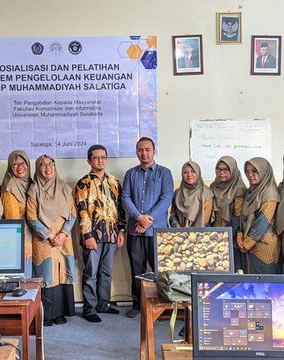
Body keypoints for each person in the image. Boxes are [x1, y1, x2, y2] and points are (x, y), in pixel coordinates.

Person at [122, 137, 174, 318]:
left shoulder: (164, 173)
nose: (144, 153)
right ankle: (137, 305)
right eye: (140, 150)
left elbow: (166, 199)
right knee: (137, 270)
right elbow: (125, 198)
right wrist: (138, 218)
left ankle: (161, 305)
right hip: (135, 230)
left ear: (154, 151)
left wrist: (146, 220)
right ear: (136, 152)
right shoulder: (130, 174)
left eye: (147, 150)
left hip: (156, 231)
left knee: (159, 271)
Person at [75, 145, 126, 323]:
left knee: (107, 272)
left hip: (111, 235)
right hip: (92, 237)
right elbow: (82, 211)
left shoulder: (114, 181)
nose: (100, 160)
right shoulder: (83, 183)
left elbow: (120, 208)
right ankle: (89, 308)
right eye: (96, 157)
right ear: (89, 160)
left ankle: (103, 304)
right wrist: (87, 235)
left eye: (103, 157)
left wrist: (121, 230)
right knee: (91, 273)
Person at [27, 155, 76, 326]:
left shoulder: (64, 188)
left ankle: (61, 312)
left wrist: (63, 234)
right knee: (47, 275)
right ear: (38, 168)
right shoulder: (34, 190)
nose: (48, 168)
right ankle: (47, 315)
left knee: (62, 272)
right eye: (44, 165)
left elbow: (73, 213)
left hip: (63, 239)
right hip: (45, 241)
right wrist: (49, 235)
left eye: (51, 164)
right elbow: (31, 217)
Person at [238, 157, 281, 274]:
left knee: (264, 284)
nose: (250, 174)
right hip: (248, 243)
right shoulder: (251, 191)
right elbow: (243, 216)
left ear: (264, 172)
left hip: (264, 245)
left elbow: (263, 220)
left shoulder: (270, 192)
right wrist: (240, 234)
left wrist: (247, 243)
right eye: (247, 171)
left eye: (254, 171)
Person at [210, 156, 247, 272]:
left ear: (233, 170)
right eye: (219, 169)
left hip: (233, 234)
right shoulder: (213, 187)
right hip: (215, 233)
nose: (221, 173)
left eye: (226, 169)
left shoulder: (239, 189)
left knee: (232, 266)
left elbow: (238, 216)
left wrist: (227, 235)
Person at [1, 150, 34, 278]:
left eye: (23, 163)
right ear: (10, 166)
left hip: (30, 240)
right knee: (22, 281)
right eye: (15, 164)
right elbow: (13, 222)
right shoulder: (10, 188)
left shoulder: (30, 184)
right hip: (20, 243)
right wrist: (21, 247)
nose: (20, 167)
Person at [169, 161, 213, 227]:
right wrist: (178, 229)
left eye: (193, 171)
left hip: (200, 234)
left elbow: (205, 220)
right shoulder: (177, 193)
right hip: (179, 234)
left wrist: (190, 233)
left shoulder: (206, 193)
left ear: (198, 173)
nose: (189, 174)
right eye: (185, 172)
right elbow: (173, 214)